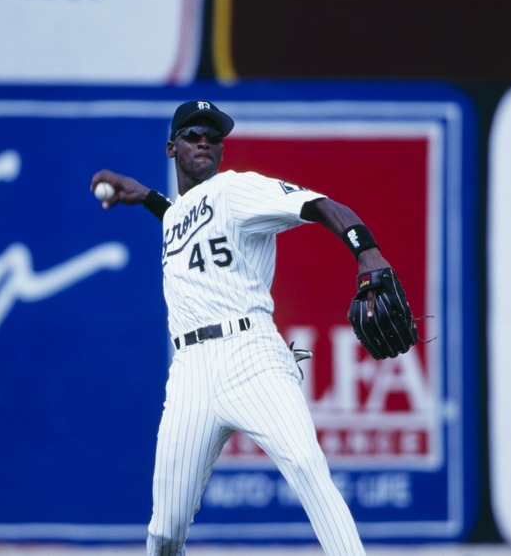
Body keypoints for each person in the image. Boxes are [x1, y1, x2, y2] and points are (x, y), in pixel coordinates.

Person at [91, 100, 390, 555]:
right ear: (172, 147)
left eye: (214, 136)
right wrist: (150, 199)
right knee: (166, 529)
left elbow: (321, 205)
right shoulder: (175, 216)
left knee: (308, 466)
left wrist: (366, 252)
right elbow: (188, 222)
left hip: (250, 356)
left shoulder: (237, 190)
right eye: (194, 134)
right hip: (190, 370)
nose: (205, 141)